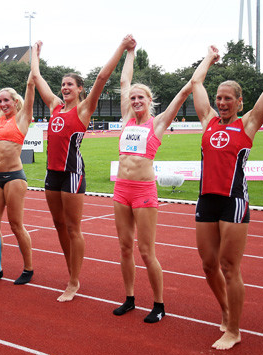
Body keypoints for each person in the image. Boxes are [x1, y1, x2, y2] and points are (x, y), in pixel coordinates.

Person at [31, 36, 134, 302]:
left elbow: (101, 77)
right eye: (63, 84)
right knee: (58, 225)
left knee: (73, 228)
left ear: (79, 89)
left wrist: (122, 48)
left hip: (72, 173)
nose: (64, 87)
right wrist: (35, 53)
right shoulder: (55, 107)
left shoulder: (85, 109)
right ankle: (71, 270)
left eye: (70, 85)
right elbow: (36, 76)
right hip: (51, 173)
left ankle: (73, 281)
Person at [191, 40, 263, 349]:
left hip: (234, 203)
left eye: (228, 98)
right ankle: (227, 310)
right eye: (219, 98)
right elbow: (196, 82)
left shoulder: (248, 124)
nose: (223, 102)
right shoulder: (208, 121)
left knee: (230, 267)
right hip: (206, 200)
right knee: (208, 265)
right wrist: (210, 57)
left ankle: (234, 329)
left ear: (240, 102)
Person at [111, 35, 194, 323]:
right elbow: (124, 81)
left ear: (149, 101)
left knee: (146, 251)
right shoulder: (126, 120)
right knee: (124, 247)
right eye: (132, 98)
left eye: (140, 97)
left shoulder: (156, 124)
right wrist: (130, 52)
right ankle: (130, 298)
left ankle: (159, 304)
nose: (135, 100)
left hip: (144, 191)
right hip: (121, 189)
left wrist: (204, 65)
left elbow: (183, 94)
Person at [0, 53, 36, 285]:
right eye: (1, 101)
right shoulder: (0, 117)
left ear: (16, 102)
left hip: (14, 177)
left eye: (7, 101)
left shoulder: (23, 117)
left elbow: (31, 84)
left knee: (15, 224)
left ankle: (28, 268)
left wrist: (36, 55)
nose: (3, 104)